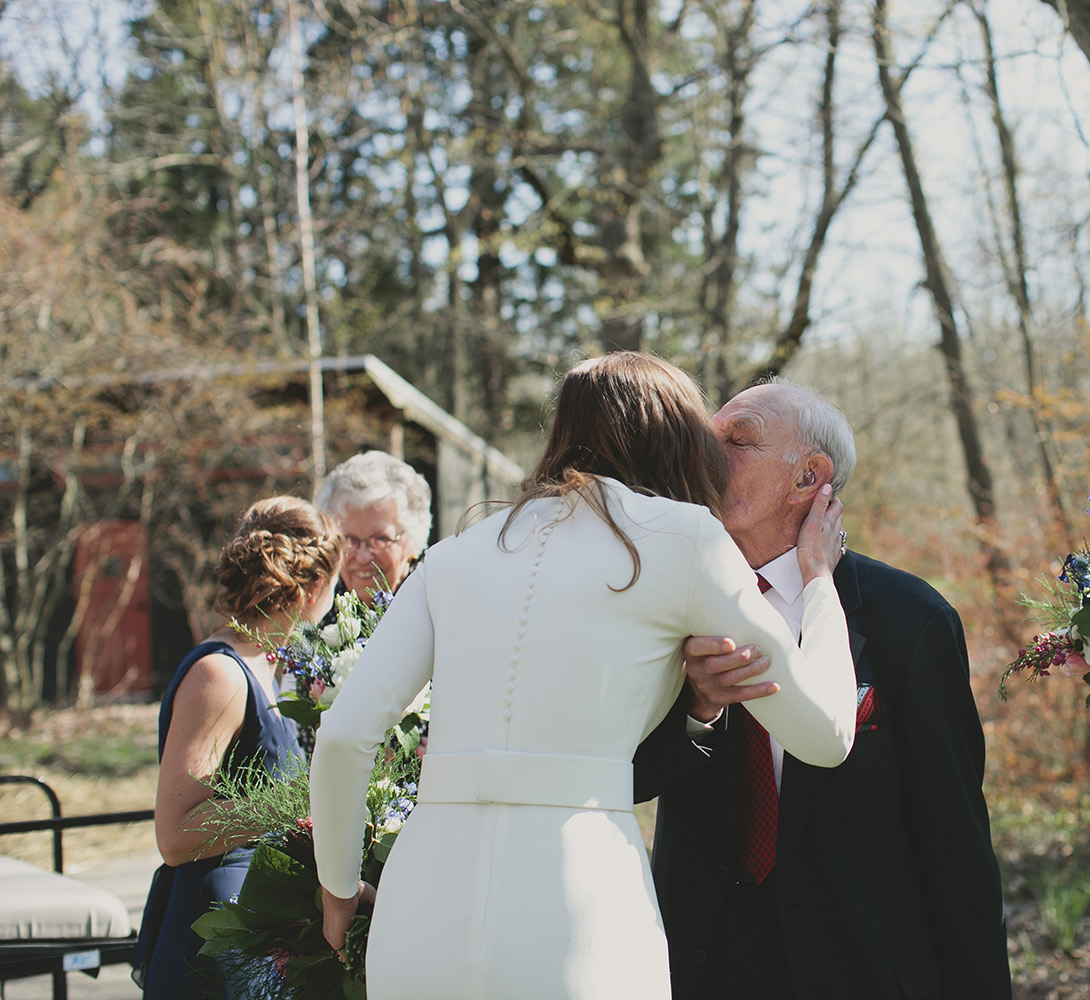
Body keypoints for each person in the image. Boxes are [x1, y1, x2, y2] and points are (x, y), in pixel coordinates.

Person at [308, 353, 857, 1000]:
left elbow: (344, 737)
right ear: (674, 434)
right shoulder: (685, 539)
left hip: (421, 910)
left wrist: (337, 888)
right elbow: (826, 734)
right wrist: (818, 583)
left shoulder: (453, 555)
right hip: (578, 905)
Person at [633, 380, 1013, 1000]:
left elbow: (956, 847)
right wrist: (698, 710)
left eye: (738, 441)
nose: (705, 454)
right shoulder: (665, 605)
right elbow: (626, 778)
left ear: (809, 476)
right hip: (701, 969)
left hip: (862, 968)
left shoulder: (910, 622)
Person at [134, 497, 343, 998]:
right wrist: (301, 801)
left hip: (257, 922)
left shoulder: (267, 666)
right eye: (332, 587)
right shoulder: (221, 674)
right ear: (312, 587)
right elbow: (176, 834)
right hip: (216, 929)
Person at [315, 450, 432, 601]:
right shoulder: (318, 602)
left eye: (380, 539)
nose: (363, 557)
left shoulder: (434, 596)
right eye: (349, 540)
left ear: (413, 539)